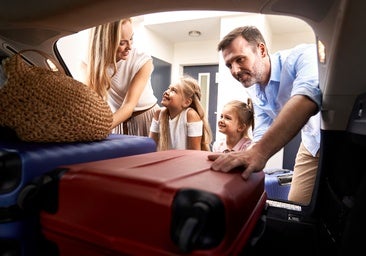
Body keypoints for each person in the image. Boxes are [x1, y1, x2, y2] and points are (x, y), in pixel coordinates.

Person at [208, 26, 322, 205]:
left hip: (340, 138)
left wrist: (259, 153)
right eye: (229, 65)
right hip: (311, 144)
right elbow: (261, 133)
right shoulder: (255, 88)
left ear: (261, 50)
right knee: (297, 206)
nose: (235, 71)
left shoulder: (303, 56)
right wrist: (244, 160)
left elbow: (306, 100)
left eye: (240, 59)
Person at [86, 18, 159, 136]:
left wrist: (97, 130)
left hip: (147, 118)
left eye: (131, 38)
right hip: (117, 121)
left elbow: (129, 106)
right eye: (122, 42)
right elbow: (91, 102)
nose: (129, 47)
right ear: (105, 42)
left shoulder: (142, 60)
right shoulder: (88, 64)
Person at [149, 75, 212, 151]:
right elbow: (151, 146)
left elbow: (194, 153)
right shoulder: (158, 113)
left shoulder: (190, 115)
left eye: (173, 91)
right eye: (168, 88)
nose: (166, 92)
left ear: (186, 102)